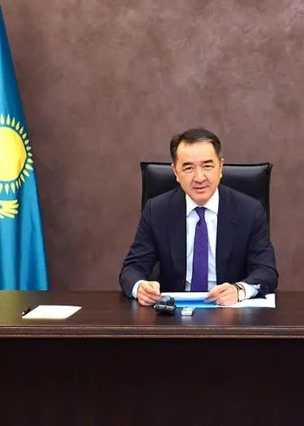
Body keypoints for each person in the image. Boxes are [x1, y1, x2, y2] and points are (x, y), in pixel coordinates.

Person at [119, 128, 278, 306]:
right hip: (173, 314)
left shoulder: (249, 210)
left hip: (230, 311)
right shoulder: (157, 211)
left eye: (207, 166)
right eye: (188, 168)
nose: (199, 178)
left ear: (221, 168)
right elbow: (132, 269)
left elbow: (266, 271)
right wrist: (140, 287)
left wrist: (239, 290)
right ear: (175, 172)